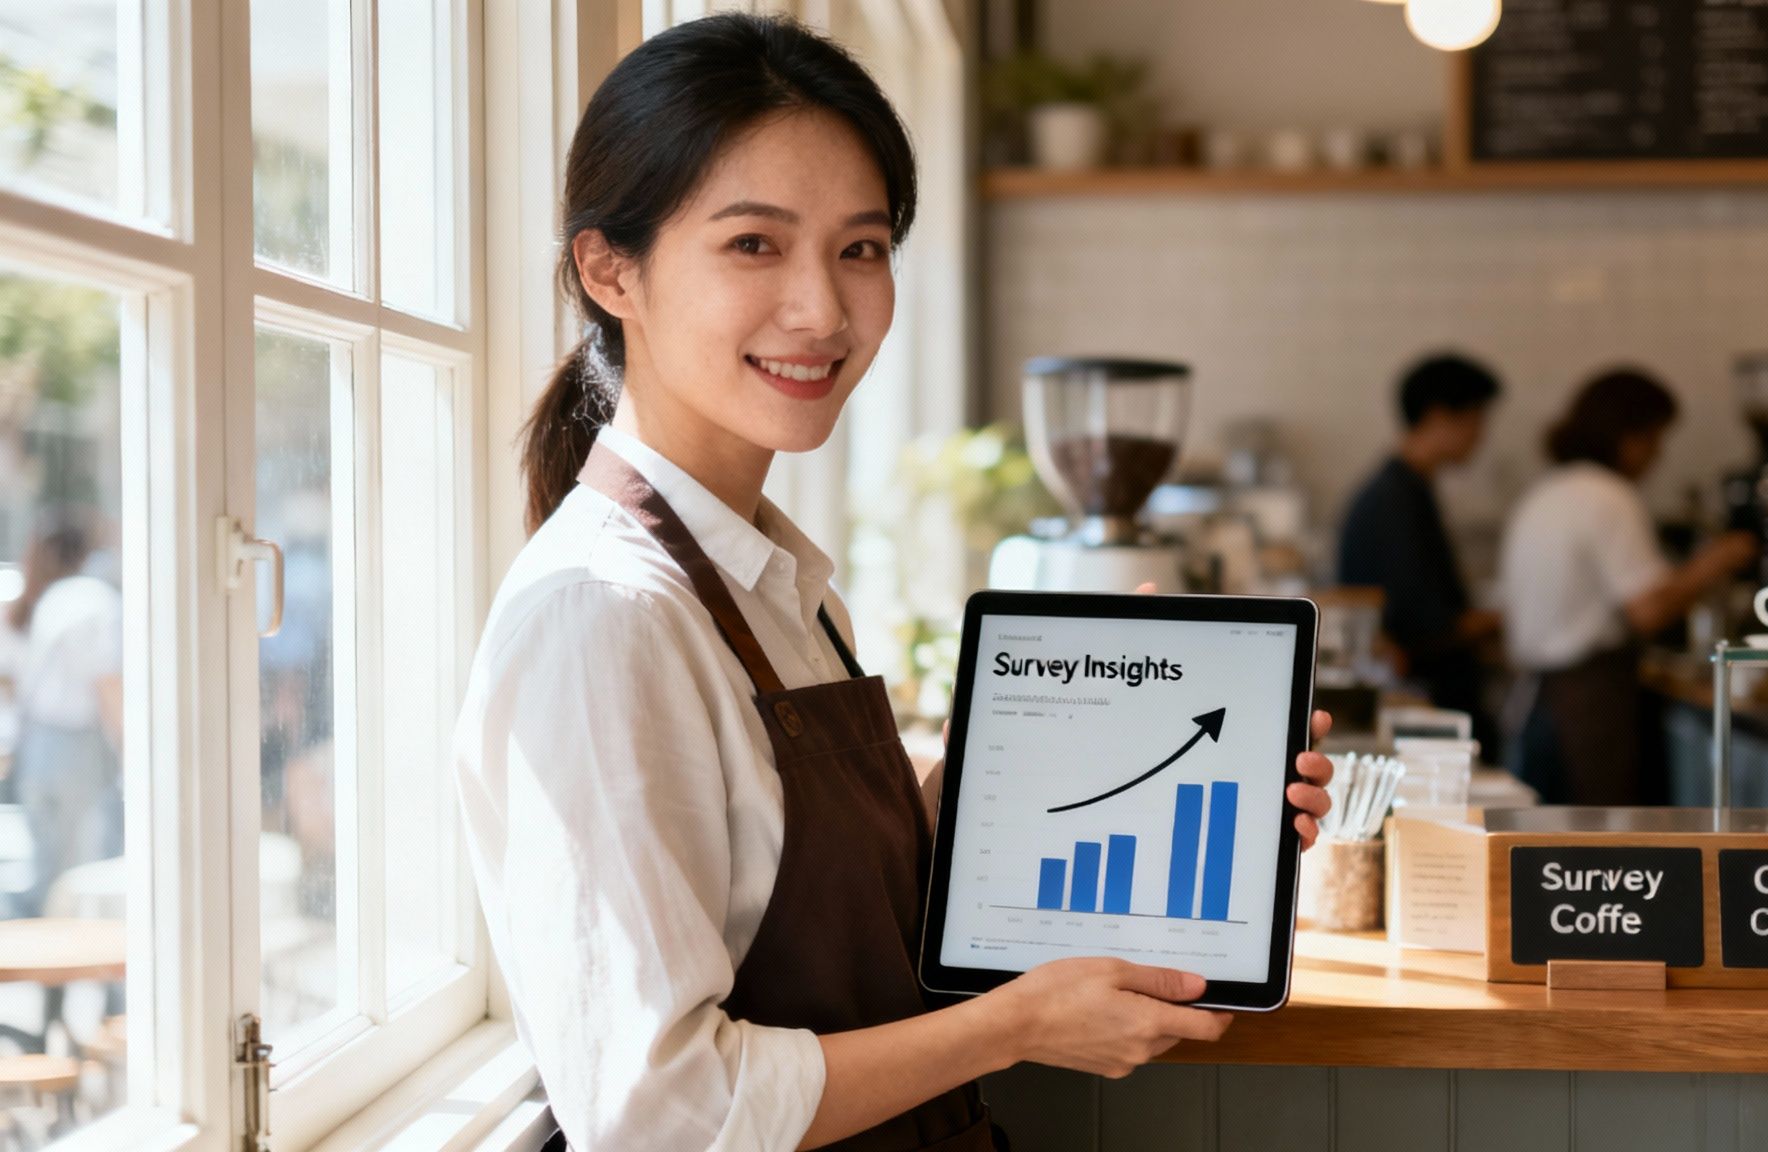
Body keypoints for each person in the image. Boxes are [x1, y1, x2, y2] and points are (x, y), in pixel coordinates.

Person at [449, 16, 1335, 1152]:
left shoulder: (775, 581)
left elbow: (819, 899)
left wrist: (1116, 772)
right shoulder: (603, 618)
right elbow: (659, 1114)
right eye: (754, 246)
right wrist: (1010, 1026)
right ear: (609, 269)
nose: (823, 309)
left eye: (860, 249)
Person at [1499, 370, 1756, 805]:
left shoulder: (1546, 493)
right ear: (1628, 435)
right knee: (1596, 850)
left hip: (1537, 703)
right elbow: (1649, 610)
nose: (1658, 454)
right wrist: (1719, 560)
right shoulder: (1608, 496)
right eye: (1655, 438)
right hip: (1589, 703)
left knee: (1549, 847)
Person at [1336, 354, 1501, 755]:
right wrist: (1505, 620)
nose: (1481, 436)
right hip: (1424, 699)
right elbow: (1424, 620)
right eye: (1477, 420)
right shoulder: (1396, 499)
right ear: (1439, 415)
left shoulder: (1407, 489)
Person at [10, 519, 123, 918]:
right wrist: (131, 749)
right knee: (84, 878)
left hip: (40, 748)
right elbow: (105, 682)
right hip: (76, 751)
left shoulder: (52, 599)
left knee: (49, 875)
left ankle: (46, 976)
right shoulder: (93, 599)